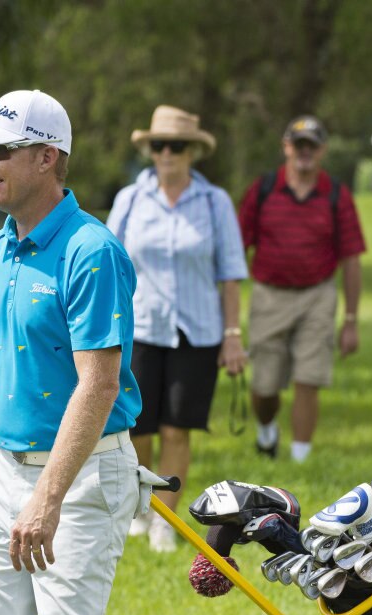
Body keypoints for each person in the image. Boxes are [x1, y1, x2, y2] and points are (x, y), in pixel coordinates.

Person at [0, 89, 142, 615]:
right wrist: (22, 488)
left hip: (82, 478)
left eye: (0, 149)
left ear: (46, 157)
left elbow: (99, 385)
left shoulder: (92, 251)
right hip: (3, 473)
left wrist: (48, 497)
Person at [107, 106, 248, 552]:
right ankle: (141, 507)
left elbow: (229, 273)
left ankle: (165, 519)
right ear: (150, 150)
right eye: (160, 145)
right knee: (138, 428)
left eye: (177, 146)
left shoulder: (214, 202)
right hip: (140, 328)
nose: (167, 153)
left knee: (176, 430)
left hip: (198, 332)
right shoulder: (131, 198)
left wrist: (232, 336)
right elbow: (107, 264)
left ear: (192, 153)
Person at [238, 115, 365, 463]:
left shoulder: (336, 194)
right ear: (286, 147)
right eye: (299, 145)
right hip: (269, 293)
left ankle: (300, 460)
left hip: (318, 294)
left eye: (312, 145)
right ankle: (267, 432)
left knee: (308, 378)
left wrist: (351, 319)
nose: (304, 152)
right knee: (264, 386)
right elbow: (237, 247)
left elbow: (352, 258)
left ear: (322, 150)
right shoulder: (263, 189)